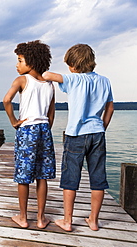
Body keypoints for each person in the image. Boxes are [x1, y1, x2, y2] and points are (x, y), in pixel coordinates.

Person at [42, 44, 114, 231]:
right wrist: (101, 127)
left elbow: (47, 75)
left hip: (76, 135)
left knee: (70, 177)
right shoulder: (105, 81)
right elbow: (110, 109)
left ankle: (67, 221)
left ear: (74, 64)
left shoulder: (73, 79)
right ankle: (94, 220)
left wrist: (65, 75)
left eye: (69, 65)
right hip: (97, 133)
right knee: (98, 178)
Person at [3, 40, 56, 229]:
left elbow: (7, 100)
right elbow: (51, 112)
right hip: (44, 130)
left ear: (30, 62)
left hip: (27, 130)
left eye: (19, 60)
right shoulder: (50, 84)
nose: (17, 65)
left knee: (23, 175)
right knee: (42, 176)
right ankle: (41, 219)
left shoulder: (22, 80)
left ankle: (24, 217)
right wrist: (46, 127)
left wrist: (14, 121)